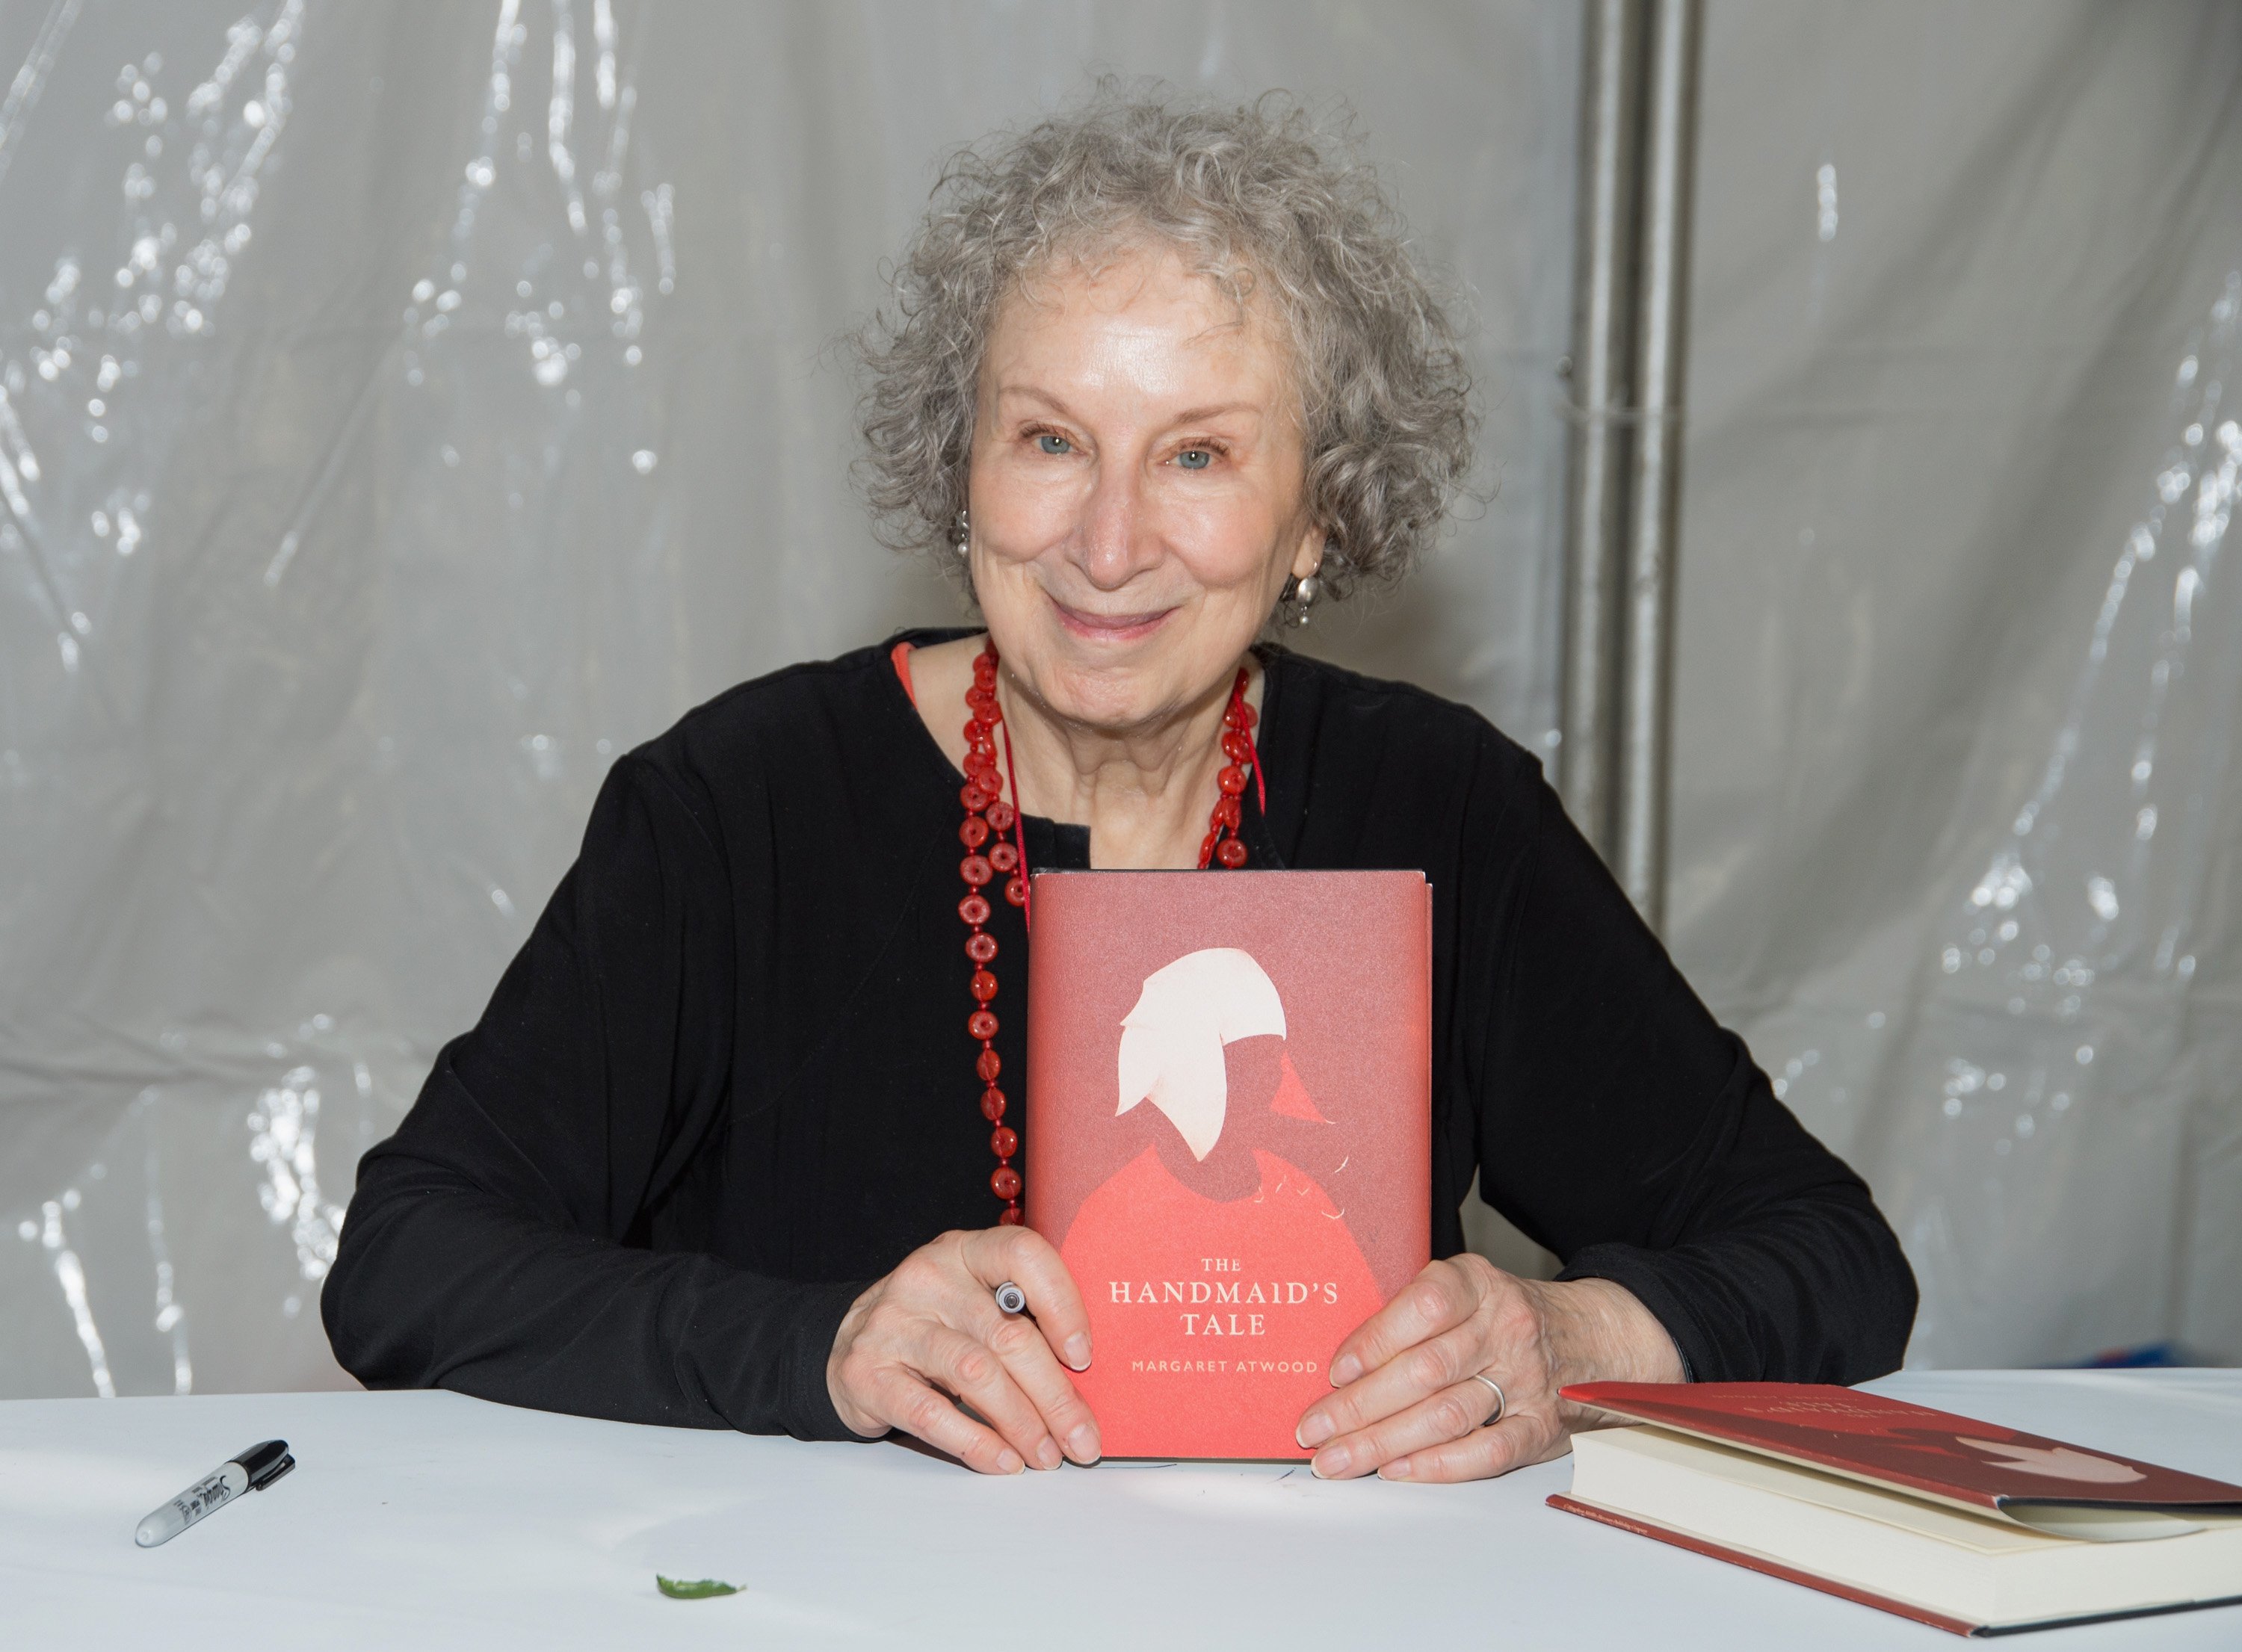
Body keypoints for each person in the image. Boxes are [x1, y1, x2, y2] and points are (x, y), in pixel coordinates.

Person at [324, 90, 1915, 1485]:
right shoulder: (736, 808)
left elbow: (1830, 1254)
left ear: (1317, 521)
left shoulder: (1437, 810)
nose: (1105, 543)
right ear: (963, 467)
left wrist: (1573, 1333)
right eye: (1049, 440)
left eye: (1200, 456)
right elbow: (408, 1258)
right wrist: (819, 1344)